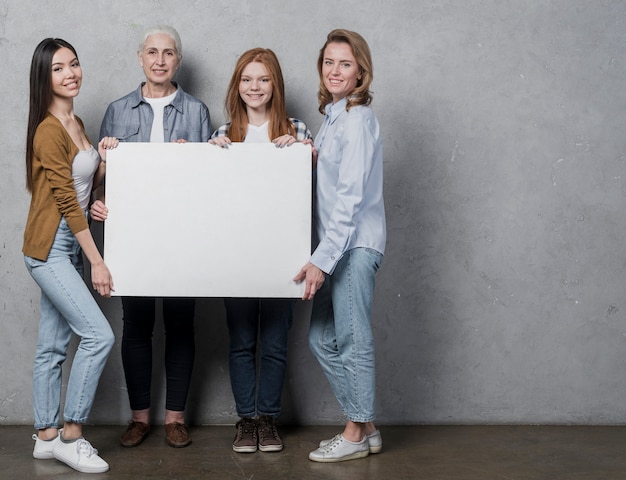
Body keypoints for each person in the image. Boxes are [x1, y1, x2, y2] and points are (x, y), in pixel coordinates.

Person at [90, 25, 211, 448]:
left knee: (181, 325)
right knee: (136, 325)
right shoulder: (117, 110)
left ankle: (175, 419)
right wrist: (97, 202)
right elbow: (99, 179)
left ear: (178, 61)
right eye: (153, 52)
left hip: (181, 236)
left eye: (169, 53)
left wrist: (189, 162)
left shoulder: (197, 112)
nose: (160, 60)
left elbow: (209, 181)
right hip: (132, 238)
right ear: (140, 57)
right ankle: (139, 418)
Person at [209, 47, 313, 454]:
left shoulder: (297, 131)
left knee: (273, 341)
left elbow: (311, 195)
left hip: (281, 255)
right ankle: (246, 421)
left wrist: (304, 157)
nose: (255, 87)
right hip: (235, 254)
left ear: (276, 85)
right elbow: (205, 200)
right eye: (247, 79)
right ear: (237, 86)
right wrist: (205, 158)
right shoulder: (223, 135)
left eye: (263, 79)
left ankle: (268, 420)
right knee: (240, 341)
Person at [24, 37, 118, 474]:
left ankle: (45, 436)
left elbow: (83, 190)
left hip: (68, 241)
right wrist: (96, 260)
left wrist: (102, 167)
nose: (71, 73)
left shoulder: (76, 122)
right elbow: (64, 200)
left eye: (74, 64)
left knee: (52, 346)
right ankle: (72, 434)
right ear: (45, 78)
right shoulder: (47, 128)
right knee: (98, 336)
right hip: (50, 248)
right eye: (59, 68)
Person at [293, 29, 386, 463]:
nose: (335, 71)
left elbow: (349, 199)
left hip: (352, 246)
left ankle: (353, 435)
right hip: (337, 246)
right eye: (329, 62)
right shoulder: (333, 118)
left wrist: (320, 261)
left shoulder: (357, 120)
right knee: (321, 339)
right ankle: (365, 426)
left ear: (360, 72)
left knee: (351, 339)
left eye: (345, 64)